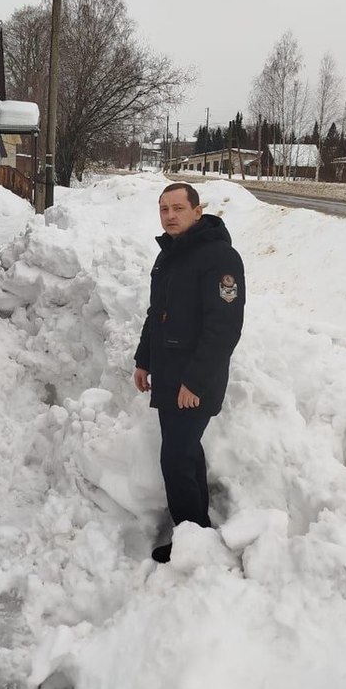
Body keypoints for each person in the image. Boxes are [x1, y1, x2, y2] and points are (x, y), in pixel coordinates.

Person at [133, 182, 245, 563]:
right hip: (169, 375)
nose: (170, 215)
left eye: (178, 208)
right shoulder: (169, 256)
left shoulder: (219, 258)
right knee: (185, 454)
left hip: (195, 381)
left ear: (198, 212)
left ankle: (191, 540)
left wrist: (195, 382)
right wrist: (143, 359)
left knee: (176, 458)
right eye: (164, 209)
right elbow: (156, 314)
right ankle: (199, 530)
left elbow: (224, 328)